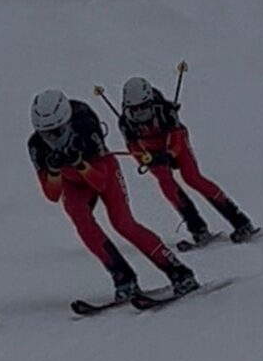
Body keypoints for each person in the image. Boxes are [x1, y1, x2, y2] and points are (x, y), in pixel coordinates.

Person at [27, 89, 200, 300]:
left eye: (57, 131)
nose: (51, 139)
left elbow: (100, 181)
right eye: (45, 134)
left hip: (101, 171)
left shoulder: (86, 126)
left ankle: (177, 270)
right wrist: (54, 170)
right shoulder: (36, 146)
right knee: (82, 222)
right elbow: (52, 194)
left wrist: (80, 163)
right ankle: (122, 277)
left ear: (68, 123)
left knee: (123, 223)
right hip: (72, 181)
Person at [118, 77, 257, 244]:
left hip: (174, 144)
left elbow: (176, 136)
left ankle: (240, 220)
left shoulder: (165, 110)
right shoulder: (125, 122)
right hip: (152, 151)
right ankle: (197, 228)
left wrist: (170, 154)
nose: (140, 113)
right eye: (135, 110)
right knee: (167, 184)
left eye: (144, 108)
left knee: (192, 178)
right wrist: (144, 158)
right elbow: (133, 146)